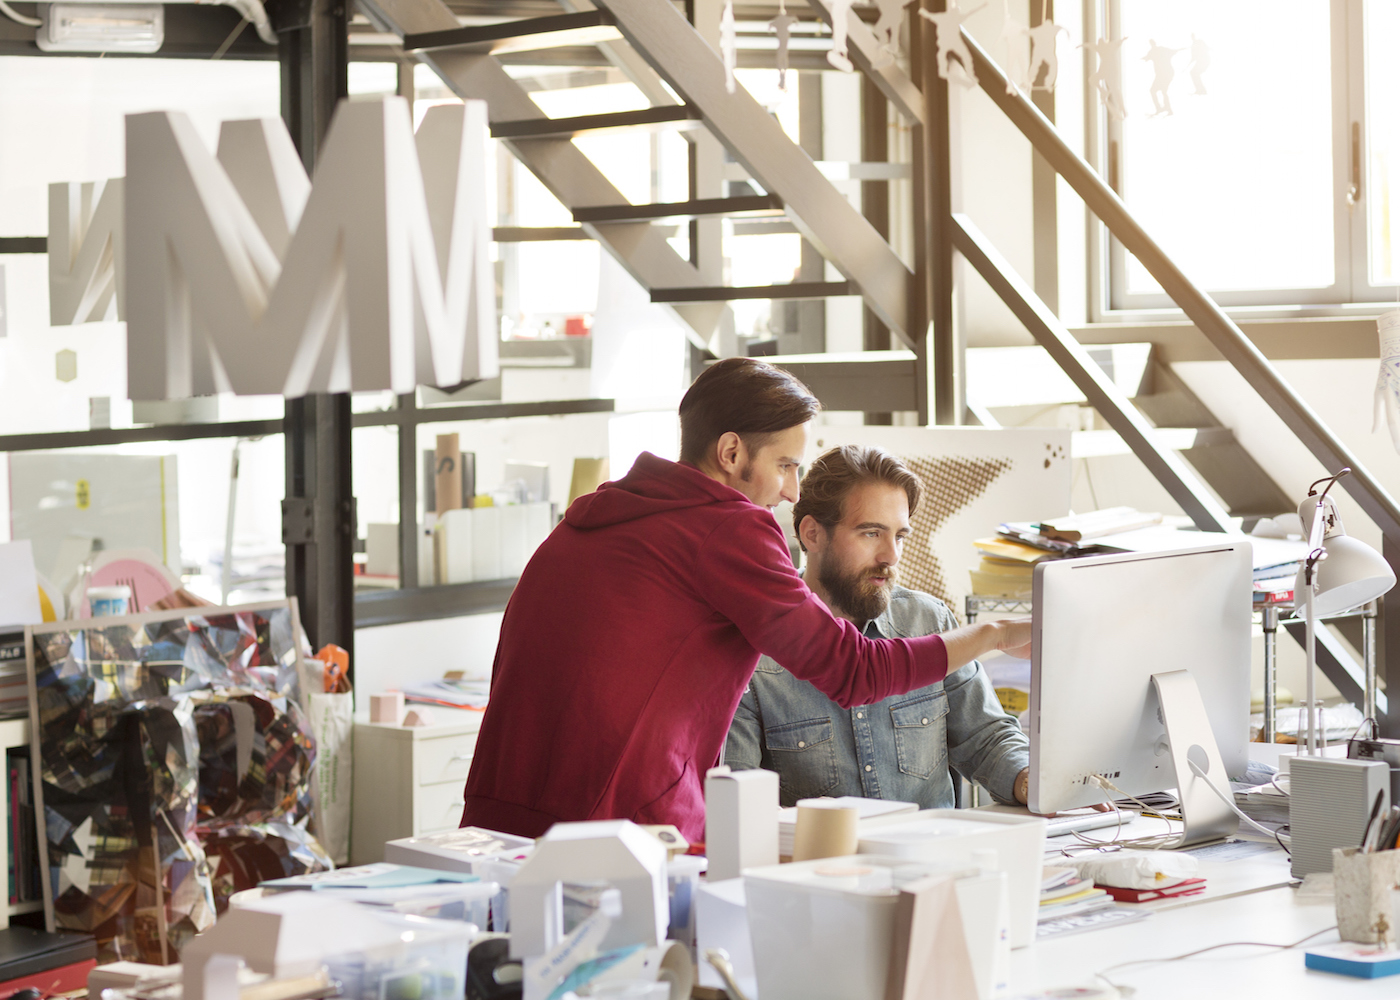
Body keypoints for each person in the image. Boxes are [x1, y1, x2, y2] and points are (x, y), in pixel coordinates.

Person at [459, 359, 1032, 842]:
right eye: (785, 465)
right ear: (732, 452)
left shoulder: (598, 518)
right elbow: (851, 668)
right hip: (619, 829)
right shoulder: (726, 527)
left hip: (507, 817)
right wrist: (999, 634)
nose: (790, 489)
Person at [725, 445, 1031, 808]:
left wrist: (1033, 782)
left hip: (932, 859)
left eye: (899, 536)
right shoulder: (751, 652)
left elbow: (986, 738)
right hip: (820, 863)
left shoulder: (929, 621)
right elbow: (738, 799)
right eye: (871, 533)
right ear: (812, 534)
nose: (891, 556)